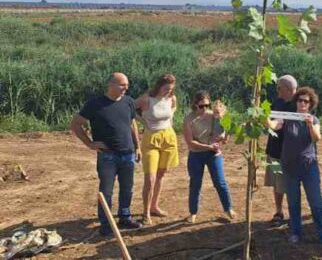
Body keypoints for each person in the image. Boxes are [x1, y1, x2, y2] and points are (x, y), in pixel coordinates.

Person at [69, 72, 143, 236]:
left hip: (128, 154)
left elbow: (132, 125)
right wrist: (89, 144)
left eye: (127, 85)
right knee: (106, 191)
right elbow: (75, 124)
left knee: (127, 189)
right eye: (122, 85)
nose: (126, 88)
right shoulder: (95, 104)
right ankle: (106, 223)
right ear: (110, 85)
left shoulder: (128, 102)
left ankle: (125, 217)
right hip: (107, 156)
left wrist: (137, 146)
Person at [267, 87, 322, 247]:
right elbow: (274, 125)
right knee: (293, 202)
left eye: (306, 101)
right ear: (296, 102)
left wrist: (309, 124)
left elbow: (317, 137)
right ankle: (295, 233)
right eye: (300, 100)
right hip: (289, 167)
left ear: (311, 104)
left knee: (316, 203)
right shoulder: (287, 117)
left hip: (308, 167)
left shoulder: (313, 120)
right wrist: (265, 120)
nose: (302, 104)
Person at [183, 92, 235, 223]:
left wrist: (223, 136)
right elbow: (190, 142)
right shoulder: (188, 119)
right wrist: (208, 147)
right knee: (195, 184)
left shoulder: (214, 115)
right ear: (195, 105)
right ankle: (193, 212)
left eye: (207, 105)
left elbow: (225, 134)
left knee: (220, 182)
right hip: (196, 154)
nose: (205, 108)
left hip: (213, 155)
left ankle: (228, 208)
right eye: (201, 106)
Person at [135, 74, 179, 225]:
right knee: (150, 177)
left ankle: (154, 206)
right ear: (159, 86)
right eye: (166, 88)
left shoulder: (171, 98)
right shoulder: (146, 99)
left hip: (168, 137)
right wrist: (142, 121)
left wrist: (170, 117)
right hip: (151, 138)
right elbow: (128, 108)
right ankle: (146, 212)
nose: (169, 91)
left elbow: (174, 107)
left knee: (161, 174)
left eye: (171, 89)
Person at [265, 75, 297, 224]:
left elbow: (277, 123)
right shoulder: (277, 102)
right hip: (274, 151)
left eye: (279, 88)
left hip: (291, 153)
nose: (277, 91)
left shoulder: (299, 104)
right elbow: (272, 119)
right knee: (278, 182)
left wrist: (270, 123)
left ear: (289, 89)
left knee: (291, 184)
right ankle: (279, 211)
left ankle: (293, 214)